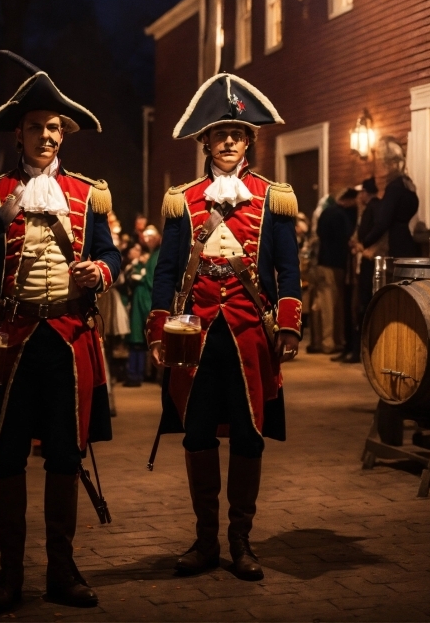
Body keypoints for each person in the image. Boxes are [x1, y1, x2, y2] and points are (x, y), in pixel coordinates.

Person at [0, 51, 120, 613]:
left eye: (54, 128)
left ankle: (62, 572)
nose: (46, 136)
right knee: (9, 456)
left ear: (64, 134)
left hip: (69, 342)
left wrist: (99, 270)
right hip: (9, 341)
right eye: (36, 128)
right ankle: (9, 575)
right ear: (18, 134)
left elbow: (109, 254)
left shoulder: (89, 195)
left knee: (67, 457)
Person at [146, 73, 301, 582]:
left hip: (250, 332)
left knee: (250, 435)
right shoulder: (182, 200)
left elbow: (287, 268)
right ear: (205, 142)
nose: (230, 140)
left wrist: (290, 326)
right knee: (196, 434)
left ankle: (241, 541)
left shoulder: (273, 196)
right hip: (195, 332)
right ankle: (205, 540)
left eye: (237, 131)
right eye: (220, 132)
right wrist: (156, 330)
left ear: (249, 139)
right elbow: (166, 272)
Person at [336, 177, 381, 364]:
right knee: (355, 306)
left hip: (368, 263)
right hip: (358, 262)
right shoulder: (366, 209)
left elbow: (375, 233)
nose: (359, 196)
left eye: (361, 192)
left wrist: (361, 245)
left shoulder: (374, 208)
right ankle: (353, 348)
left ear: (365, 193)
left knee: (362, 306)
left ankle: (359, 350)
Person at [312, 187, 358, 355]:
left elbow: (318, 233)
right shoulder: (343, 216)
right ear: (349, 200)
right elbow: (346, 238)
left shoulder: (327, 212)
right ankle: (330, 343)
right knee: (333, 305)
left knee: (323, 304)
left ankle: (321, 341)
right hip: (336, 264)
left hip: (322, 262)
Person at [361, 137, 419, 258]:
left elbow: (382, 222)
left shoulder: (395, 187)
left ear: (392, 164)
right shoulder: (406, 184)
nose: (380, 167)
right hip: (406, 241)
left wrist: (365, 242)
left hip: (396, 246)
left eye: (382, 163)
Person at [125, 225, 161, 387]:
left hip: (146, 299)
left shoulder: (155, 256)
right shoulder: (150, 256)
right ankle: (136, 374)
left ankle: (138, 374)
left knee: (140, 339)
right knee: (137, 339)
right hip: (141, 299)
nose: (147, 240)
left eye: (150, 237)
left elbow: (151, 280)